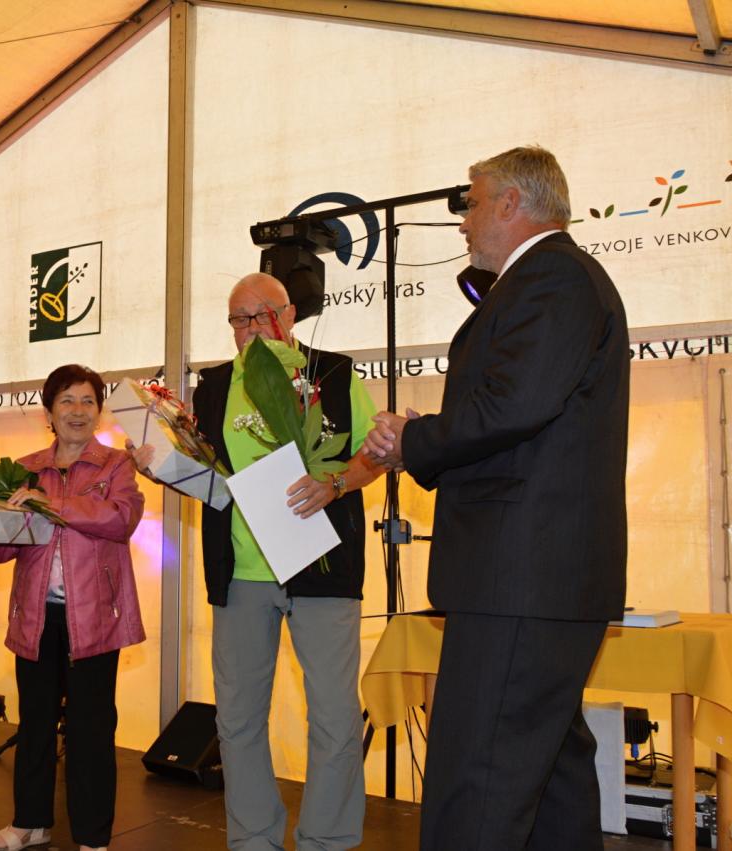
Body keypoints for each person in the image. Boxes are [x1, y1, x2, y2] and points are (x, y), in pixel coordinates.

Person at [363, 146, 629, 850]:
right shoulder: (552, 280)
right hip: (534, 578)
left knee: (478, 783)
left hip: (521, 576)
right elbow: (521, 412)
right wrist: (427, 437)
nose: (464, 221)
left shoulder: (552, 277)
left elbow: (515, 404)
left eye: (473, 203)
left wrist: (415, 442)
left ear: (512, 203)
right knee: (548, 777)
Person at [136, 273, 383, 850]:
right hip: (242, 573)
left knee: (334, 718)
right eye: (237, 319)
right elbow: (210, 478)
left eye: (259, 316)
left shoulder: (334, 374)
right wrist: (163, 468)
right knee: (238, 720)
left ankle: (327, 841)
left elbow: (376, 454)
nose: (249, 329)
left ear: (289, 314)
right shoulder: (215, 386)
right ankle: (253, 841)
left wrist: (335, 485)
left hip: (324, 568)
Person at [0, 364, 145, 851]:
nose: (78, 411)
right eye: (66, 400)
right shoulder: (24, 469)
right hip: (36, 616)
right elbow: (5, 544)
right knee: (34, 722)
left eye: (88, 401)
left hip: (95, 618)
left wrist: (48, 504)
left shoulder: (117, 465)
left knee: (92, 728)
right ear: (48, 411)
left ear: (99, 411)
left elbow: (121, 519)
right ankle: (31, 822)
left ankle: (93, 836)